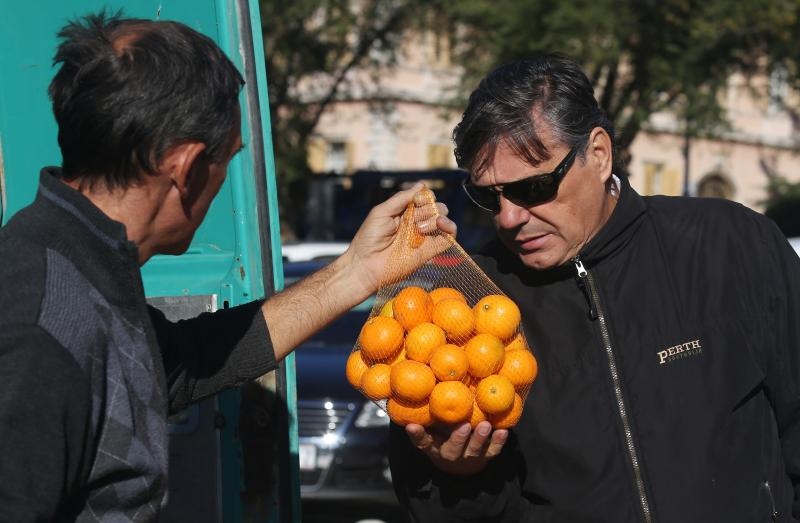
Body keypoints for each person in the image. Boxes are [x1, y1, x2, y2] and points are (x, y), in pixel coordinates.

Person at [0, 11, 454, 522]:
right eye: (227, 159)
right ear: (188, 170)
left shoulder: (79, 265)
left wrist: (358, 271)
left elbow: (185, 364)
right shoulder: (41, 323)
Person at [389, 54, 800, 522]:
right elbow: (435, 507)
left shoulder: (730, 244)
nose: (508, 217)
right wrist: (455, 474)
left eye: (534, 187)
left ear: (599, 154)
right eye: (488, 196)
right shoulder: (469, 302)